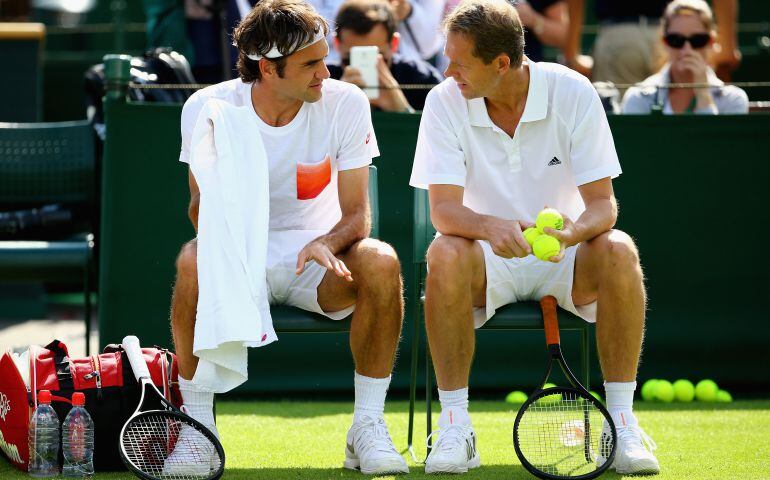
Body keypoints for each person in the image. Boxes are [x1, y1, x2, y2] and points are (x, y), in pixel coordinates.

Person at [409, 0, 660, 475]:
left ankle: (622, 422)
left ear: (501, 64)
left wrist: (571, 234)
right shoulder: (444, 100)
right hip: (485, 259)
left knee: (620, 249)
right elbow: (443, 212)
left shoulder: (572, 92)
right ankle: (455, 426)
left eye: (460, 63)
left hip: (565, 256)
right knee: (443, 253)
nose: (448, 71)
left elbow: (604, 206)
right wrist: (490, 227)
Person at [171, 0, 409, 475]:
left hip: (321, 262)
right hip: (240, 256)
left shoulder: (345, 102)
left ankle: (367, 427)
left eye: (325, 58)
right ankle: (197, 428)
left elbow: (359, 215)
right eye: (310, 64)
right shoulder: (209, 108)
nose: (326, 72)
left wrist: (328, 242)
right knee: (193, 260)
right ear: (268, 67)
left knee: (381, 260)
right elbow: (201, 213)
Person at [564, 0, 740, 89]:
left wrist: (572, 53)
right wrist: (727, 46)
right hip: (675, 36)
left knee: (621, 135)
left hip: (622, 38)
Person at [622, 0, 748, 114]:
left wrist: (703, 95)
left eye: (697, 40)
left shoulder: (734, 100)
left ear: (711, 42)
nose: (686, 50)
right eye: (676, 40)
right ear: (664, 42)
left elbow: (713, 140)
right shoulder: (638, 98)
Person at [328, 0, 444, 112]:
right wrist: (337, 104)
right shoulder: (324, 81)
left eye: (376, 57)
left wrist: (401, 108)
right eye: (352, 58)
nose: (365, 70)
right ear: (336, 44)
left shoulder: (422, 80)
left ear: (394, 44)